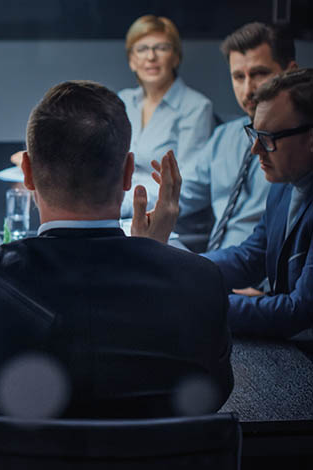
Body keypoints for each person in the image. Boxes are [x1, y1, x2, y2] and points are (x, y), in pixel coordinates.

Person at [0, 81, 233, 430]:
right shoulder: (200, 282)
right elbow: (211, 396)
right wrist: (156, 256)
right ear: (128, 173)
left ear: (28, 173)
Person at [136, 68, 313, 339]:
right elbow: (250, 258)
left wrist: (190, 303)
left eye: (268, 139)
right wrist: (174, 271)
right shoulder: (283, 187)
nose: (255, 151)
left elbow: (299, 310)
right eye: (255, 135)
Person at [176, 22, 297, 250]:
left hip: (262, 277)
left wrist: (266, 284)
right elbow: (183, 192)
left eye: (260, 73)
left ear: (290, 73)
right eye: (238, 77)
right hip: (220, 267)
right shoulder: (223, 138)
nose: (248, 89)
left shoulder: (299, 146)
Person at [119, 15, 214, 216]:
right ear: (131, 61)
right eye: (142, 49)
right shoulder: (123, 102)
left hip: (165, 220)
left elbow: (191, 189)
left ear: (176, 57)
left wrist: (124, 205)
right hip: (117, 214)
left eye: (161, 48)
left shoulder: (196, 107)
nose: (151, 56)